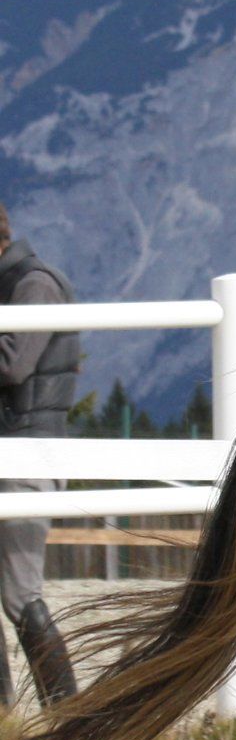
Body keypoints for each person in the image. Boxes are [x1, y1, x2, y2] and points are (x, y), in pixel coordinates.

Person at [0, 205, 78, 707]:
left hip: (26, 455)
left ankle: (67, 712)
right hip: (14, 449)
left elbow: (12, 366)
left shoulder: (35, 284)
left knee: (20, 594)